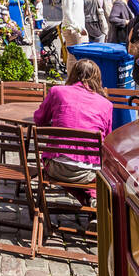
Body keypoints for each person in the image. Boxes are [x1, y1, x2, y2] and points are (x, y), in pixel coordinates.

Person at [33, 59, 112, 197]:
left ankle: (89, 198)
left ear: (73, 74)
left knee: (65, 175)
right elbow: (107, 137)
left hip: (56, 167)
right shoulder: (106, 104)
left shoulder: (57, 92)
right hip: (89, 172)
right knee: (87, 181)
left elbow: (39, 119)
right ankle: (91, 198)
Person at [60, 0, 88, 71]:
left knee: (82, 56)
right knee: (73, 56)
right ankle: (71, 81)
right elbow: (68, 14)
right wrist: (78, 27)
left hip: (80, 28)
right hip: (71, 29)